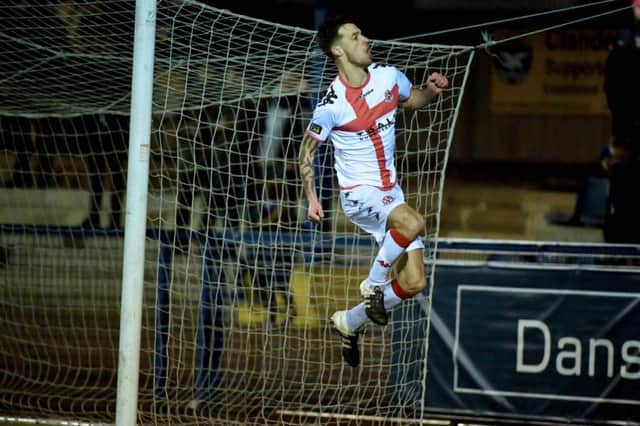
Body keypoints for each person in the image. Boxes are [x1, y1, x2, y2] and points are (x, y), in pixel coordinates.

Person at [298, 14, 448, 367]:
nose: (365, 39)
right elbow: (305, 154)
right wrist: (313, 199)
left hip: (388, 192)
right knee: (414, 222)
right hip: (359, 195)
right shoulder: (331, 105)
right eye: (355, 36)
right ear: (338, 50)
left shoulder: (388, 76)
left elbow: (413, 101)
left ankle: (349, 322)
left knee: (414, 282)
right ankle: (373, 284)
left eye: (362, 33)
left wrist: (432, 91)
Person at [602, 0, 640, 243]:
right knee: (623, 188)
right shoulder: (623, 39)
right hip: (626, 127)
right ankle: (618, 245)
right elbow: (612, 84)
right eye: (637, 6)